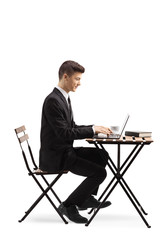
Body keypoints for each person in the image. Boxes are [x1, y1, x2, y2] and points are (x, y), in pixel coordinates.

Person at [39, 60, 112, 224]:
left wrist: (94, 127)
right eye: (77, 79)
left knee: (101, 155)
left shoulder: (63, 98)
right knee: (100, 173)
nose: (79, 83)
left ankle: (85, 198)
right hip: (56, 157)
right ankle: (68, 205)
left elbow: (71, 127)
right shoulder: (53, 101)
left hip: (64, 151)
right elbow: (64, 133)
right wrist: (93, 131)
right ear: (66, 77)